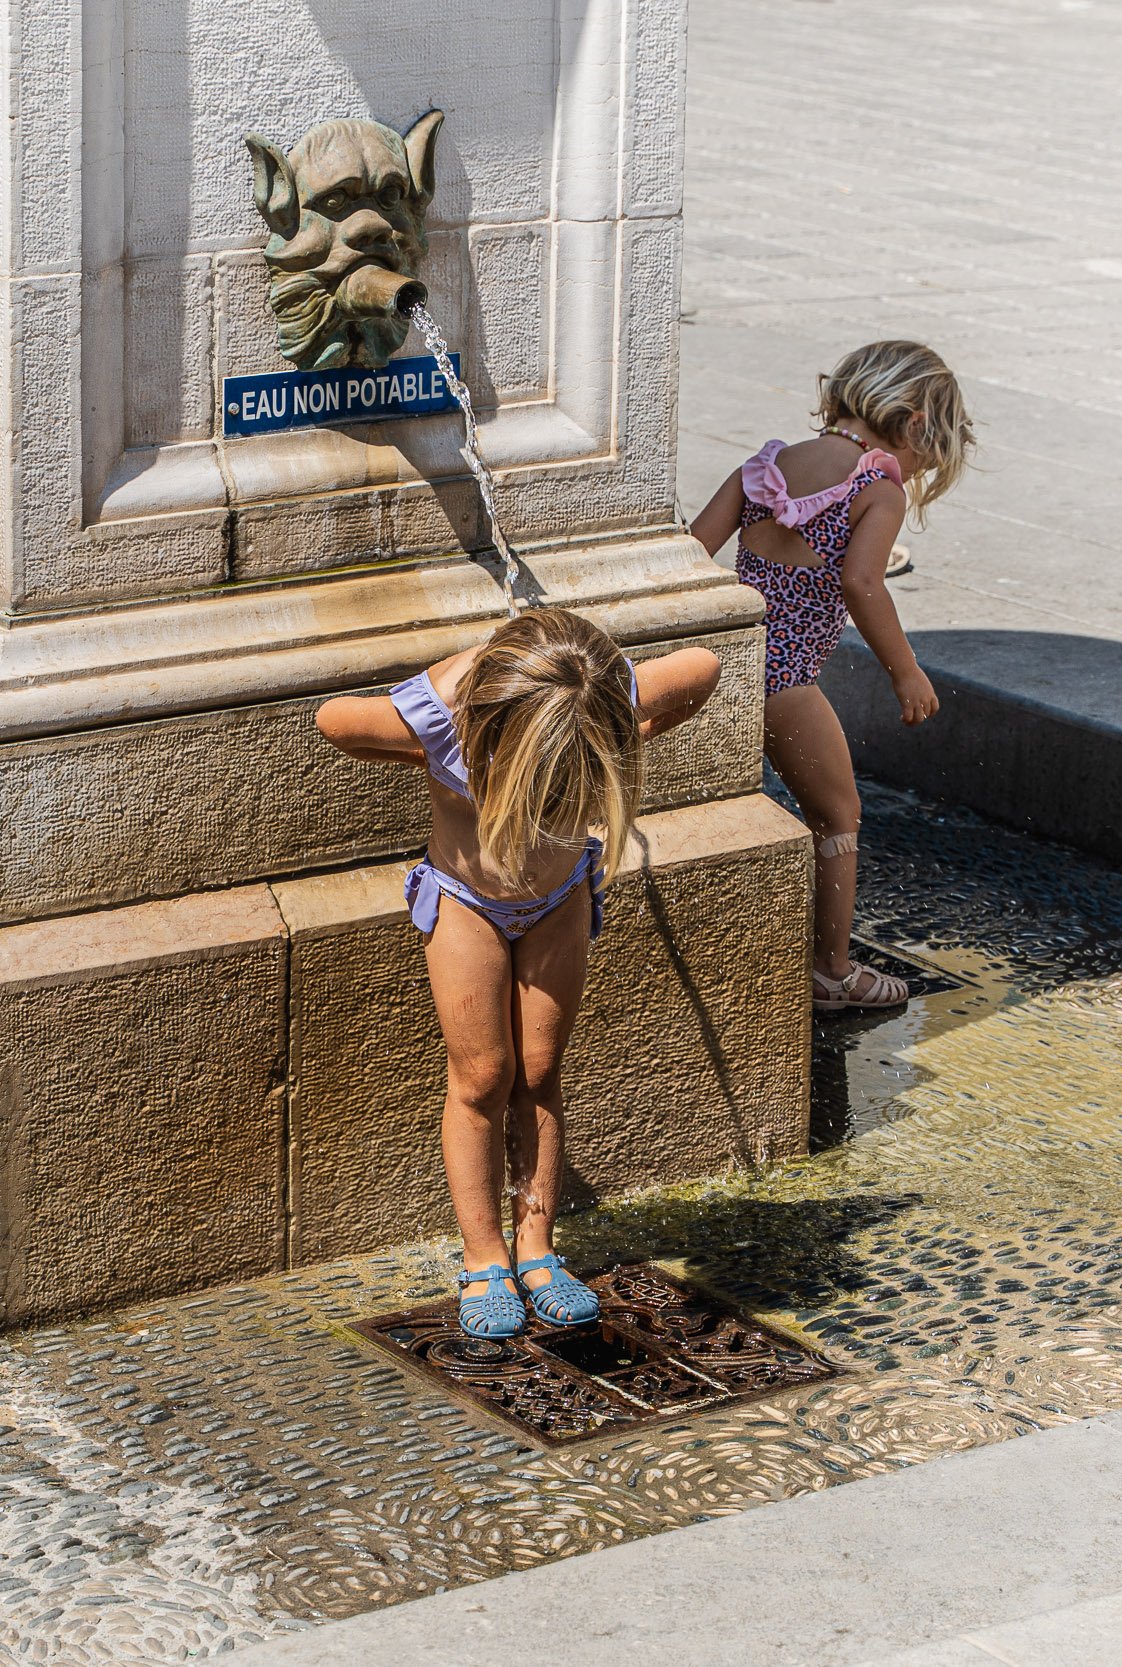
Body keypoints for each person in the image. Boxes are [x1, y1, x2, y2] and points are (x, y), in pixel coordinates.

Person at [314, 609, 720, 1338]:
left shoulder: (590, 693)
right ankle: (483, 1254)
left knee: (539, 1068)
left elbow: (703, 668)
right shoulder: (447, 714)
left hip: (559, 898)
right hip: (469, 902)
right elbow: (335, 721)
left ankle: (536, 1244)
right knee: (480, 1077)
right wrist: (429, 749)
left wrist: (629, 739)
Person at [688, 340, 973, 1011]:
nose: (915, 472)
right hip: (785, 678)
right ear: (912, 426)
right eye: (924, 458)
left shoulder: (768, 466)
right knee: (837, 814)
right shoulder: (876, 489)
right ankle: (832, 971)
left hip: (729, 664)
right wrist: (905, 673)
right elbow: (862, 581)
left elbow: (691, 551)